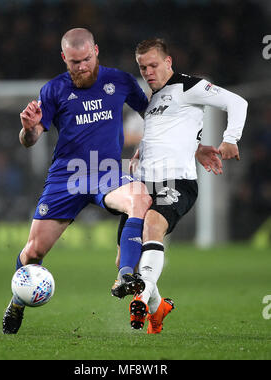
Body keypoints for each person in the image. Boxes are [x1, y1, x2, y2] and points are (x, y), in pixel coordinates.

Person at [2, 28, 153, 334]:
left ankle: (125, 274)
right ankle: (18, 301)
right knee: (33, 253)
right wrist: (28, 128)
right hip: (67, 177)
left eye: (86, 59)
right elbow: (29, 140)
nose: (82, 66)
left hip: (107, 171)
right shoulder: (53, 90)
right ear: (64, 58)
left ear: (96, 51)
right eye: (74, 62)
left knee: (140, 197)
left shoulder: (120, 81)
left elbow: (154, 113)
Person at [112, 38, 248, 333]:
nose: (148, 72)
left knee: (152, 225)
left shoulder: (190, 86)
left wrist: (230, 138)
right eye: (142, 67)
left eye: (153, 65)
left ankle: (143, 295)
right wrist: (144, 150)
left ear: (168, 62)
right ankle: (157, 307)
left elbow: (237, 102)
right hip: (143, 182)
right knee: (125, 259)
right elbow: (169, 134)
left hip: (177, 181)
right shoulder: (153, 99)